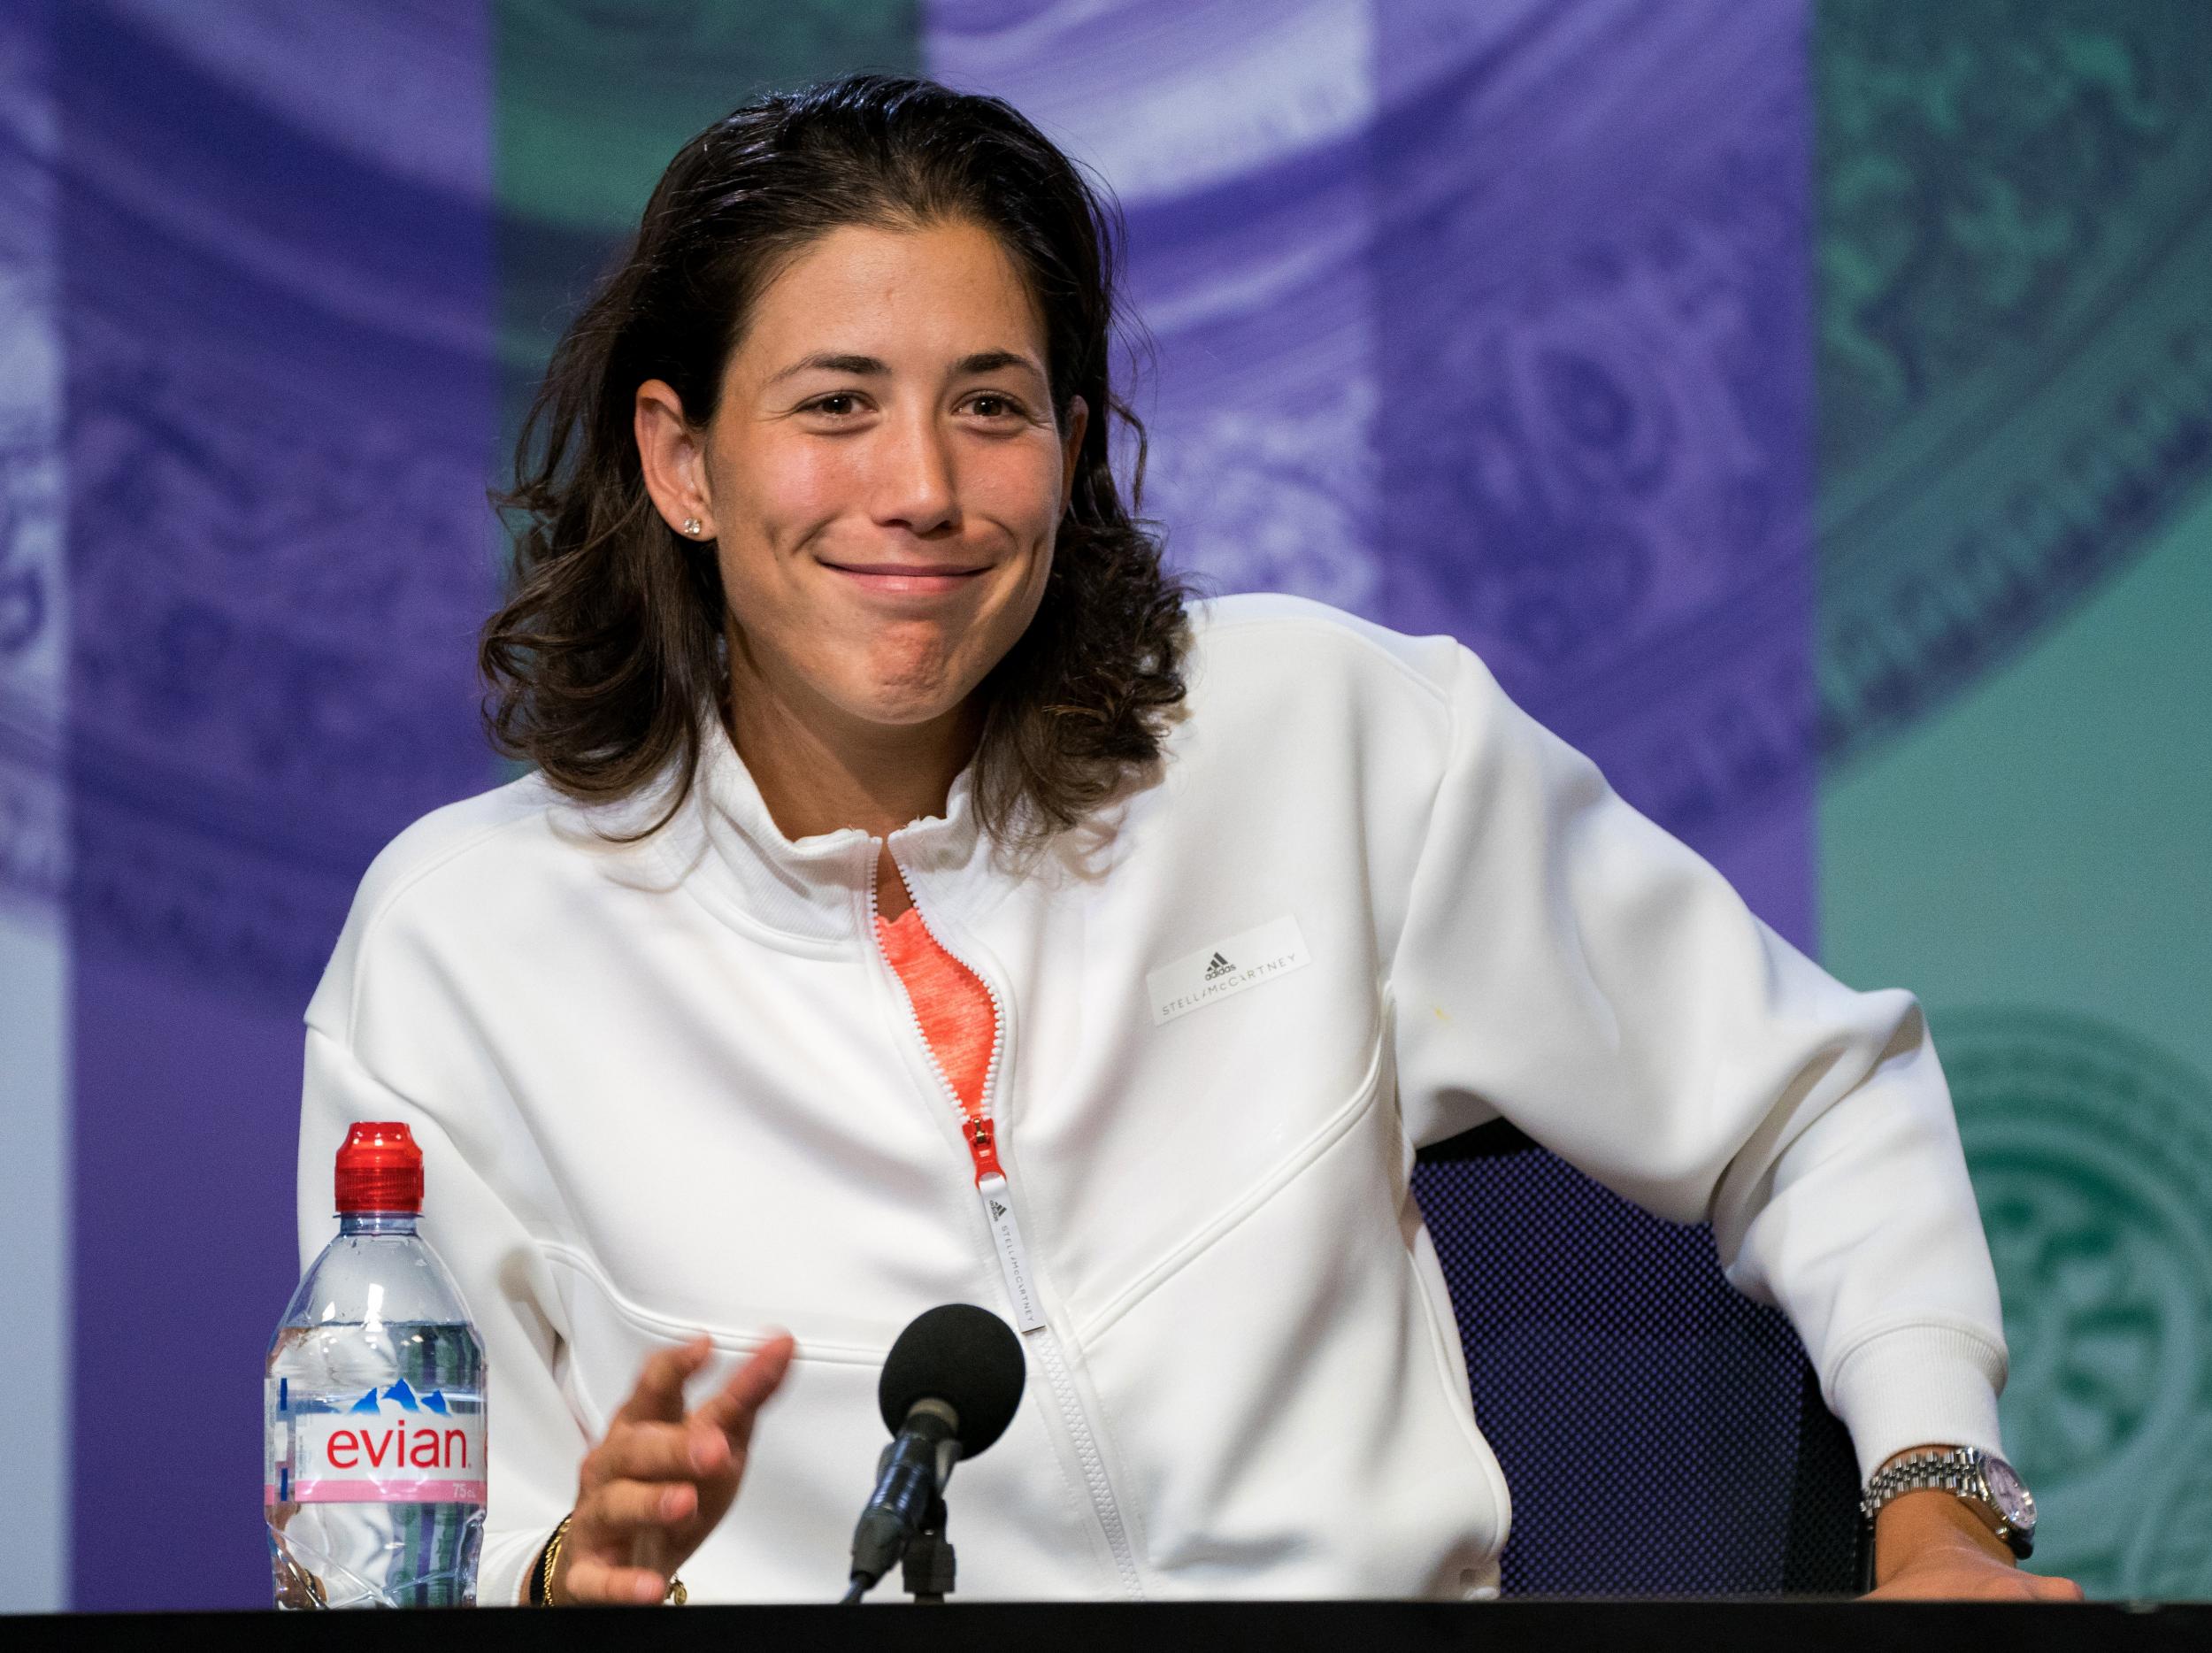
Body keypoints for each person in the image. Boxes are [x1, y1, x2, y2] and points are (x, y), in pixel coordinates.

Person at [296, 73, 2082, 1606]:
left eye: (989, 406)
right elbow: (391, 1559)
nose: (919, 483)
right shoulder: (464, 949)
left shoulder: (1321, 735)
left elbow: (1813, 1102)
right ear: (681, 463)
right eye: (833, 405)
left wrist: (1934, 1513)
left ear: (1069, 452)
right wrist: (555, 1579)